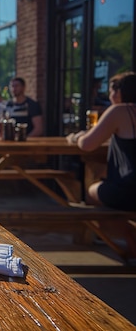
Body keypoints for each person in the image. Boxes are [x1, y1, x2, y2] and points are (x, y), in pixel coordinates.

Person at [67, 71, 136, 258]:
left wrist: (77, 137)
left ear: (120, 92)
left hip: (128, 192)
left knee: (92, 192)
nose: (111, 95)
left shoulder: (120, 111)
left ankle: (126, 239)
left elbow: (88, 145)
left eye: (113, 90)